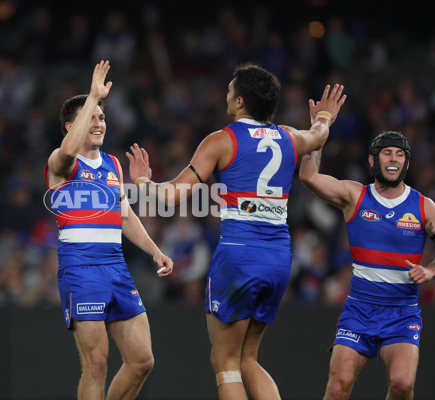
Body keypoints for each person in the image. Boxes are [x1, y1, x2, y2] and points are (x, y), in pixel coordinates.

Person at [126, 63, 346, 400]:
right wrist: (324, 117)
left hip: (238, 256)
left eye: (231, 88)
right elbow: (318, 136)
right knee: (248, 359)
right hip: (277, 259)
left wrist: (142, 179)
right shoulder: (290, 136)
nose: (227, 93)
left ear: (240, 101)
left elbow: (168, 196)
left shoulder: (221, 141)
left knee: (224, 361)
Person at [44, 60, 173, 400]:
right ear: (74, 124)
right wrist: (93, 97)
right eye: (93, 117)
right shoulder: (62, 160)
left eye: (102, 116)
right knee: (96, 365)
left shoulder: (113, 165)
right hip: (81, 268)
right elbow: (69, 148)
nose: (100, 122)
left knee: (142, 360)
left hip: (116, 268)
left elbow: (126, 216)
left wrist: (154, 250)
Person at [299, 130, 435, 400]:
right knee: (338, 386)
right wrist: (320, 129)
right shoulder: (355, 195)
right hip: (359, 312)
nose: (393, 158)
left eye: (400, 154)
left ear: (406, 163)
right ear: (373, 161)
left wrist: (431, 269)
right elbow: (308, 177)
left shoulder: (424, 206)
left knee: (401, 383)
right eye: (387, 152)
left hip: (402, 313)